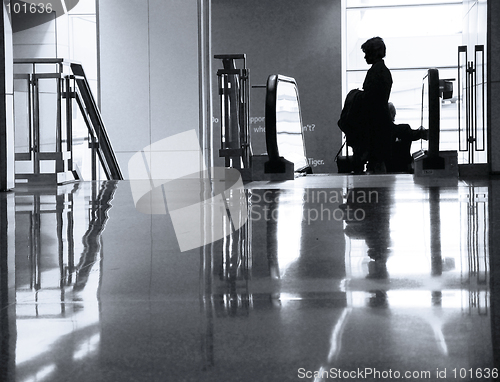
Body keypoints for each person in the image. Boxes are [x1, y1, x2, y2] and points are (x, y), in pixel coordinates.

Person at [355, 36, 394, 174]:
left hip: (376, 125)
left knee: (376, 163)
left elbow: (371, 100)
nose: (365, 56)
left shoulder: (375, 72)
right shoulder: (383, 71)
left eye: (366, 53)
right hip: (382, 123)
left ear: (374, 52)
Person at [386, 102, 428, 173]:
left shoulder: (376, 133)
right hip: (404, 170)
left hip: (385, 171)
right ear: (393, 115)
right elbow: (421, 134)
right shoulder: (404, 130)